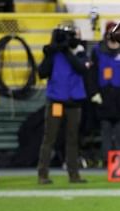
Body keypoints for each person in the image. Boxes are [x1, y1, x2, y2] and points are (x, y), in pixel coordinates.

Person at [37, 25, 90, 184]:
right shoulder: (53, 54)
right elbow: (42, 72)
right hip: (56, 101)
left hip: (73, 102)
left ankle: (74, 174)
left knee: (72, 139)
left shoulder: (79, 51)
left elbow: (81, 68)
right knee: (49, 138)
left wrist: (66, 50)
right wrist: (52, 51)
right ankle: (43, 174)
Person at [88, 21, 120, 167]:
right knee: (105, 131)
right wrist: (94, 93)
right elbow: (92, 74)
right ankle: (106, 162)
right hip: (104, 95)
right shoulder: (97, 50)